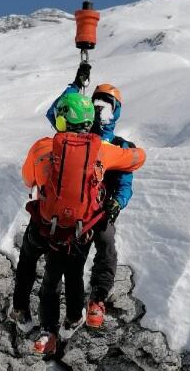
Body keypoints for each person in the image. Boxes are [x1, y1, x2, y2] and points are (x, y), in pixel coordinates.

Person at [13, 91, 146, 356]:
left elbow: (28, 179)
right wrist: (128, 149)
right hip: (76, 230)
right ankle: (73, 317)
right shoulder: (102, 150)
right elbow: (137, 159)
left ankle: (23, 311)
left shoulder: (42, 146)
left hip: (44, 225)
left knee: (29, 262)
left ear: (61, 121)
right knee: (68, 273)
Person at [45, 66, 137, 328]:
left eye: (106, 106)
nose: (99, 111)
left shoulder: (120, 146)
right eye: (96, 104)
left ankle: (97, 298)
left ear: (115, 110)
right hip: (77, 208)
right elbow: (56, 113)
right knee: (73, 256)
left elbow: (125, 182)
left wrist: (118, 203)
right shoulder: (79, 131)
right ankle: (63, 315)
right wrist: (75, 85)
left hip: (102, 208)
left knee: (106, 244)